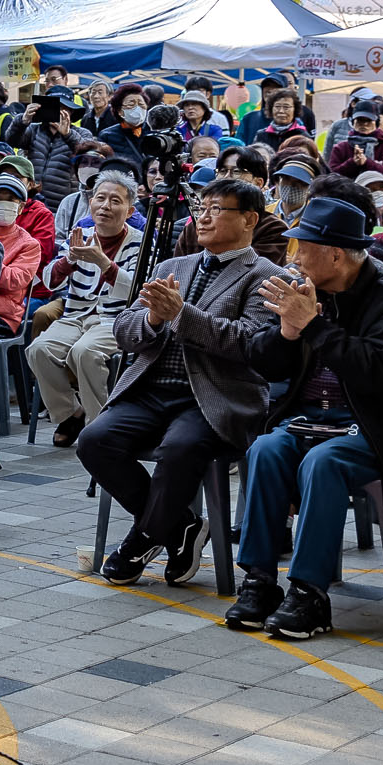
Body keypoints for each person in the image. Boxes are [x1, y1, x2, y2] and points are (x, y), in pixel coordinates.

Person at [225, 198, 383, 640]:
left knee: (322, 462)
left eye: (301, 248)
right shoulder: (307, 289)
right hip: (311, 419)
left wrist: (312, 325)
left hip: (381, 429)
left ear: (334, 254)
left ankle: (309, 591)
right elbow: (263, 362)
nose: (292, 258)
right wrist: (288, 332)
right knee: (265, 448)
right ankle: (260, 580)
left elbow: (376, 374)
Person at [80, 176, 286, 587]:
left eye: (215, 210)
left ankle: (142, 540)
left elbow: (248, 342)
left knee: (180, 448)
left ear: (248, 219)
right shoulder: (173, 266)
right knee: (94, 440)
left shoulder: (266, 275)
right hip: (151, 390)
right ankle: (183, 528)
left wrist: (181, 315)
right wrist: (154, 319)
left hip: (214, 396)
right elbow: (124, 329)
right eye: (200, 209)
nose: (202, 218)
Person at [27, 167, 140, 445]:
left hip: (115, 318)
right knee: (39, 349)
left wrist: (103, 261)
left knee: (85, 352)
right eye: (100, 198)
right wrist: (70, 260)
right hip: (76, 314)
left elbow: (134, 291)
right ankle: (71, 413)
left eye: (115, 201)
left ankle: (100, 425)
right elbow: (49, 280)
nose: (105, 206)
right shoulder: (81, 234)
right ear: (90, 202)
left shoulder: (139, 240)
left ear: (129, 210)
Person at [0, 175, 41, 333]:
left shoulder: (29, 245)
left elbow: (14, 281)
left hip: (2, 316)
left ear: (21, 207)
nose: (3, 203)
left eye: (10, 199)